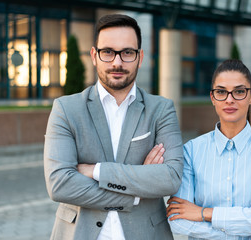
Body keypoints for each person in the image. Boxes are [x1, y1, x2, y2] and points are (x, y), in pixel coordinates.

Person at [44, 14, 183, 240]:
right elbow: (60, 184)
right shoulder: (66, 109)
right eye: (107, 52)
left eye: (127, 52)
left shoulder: (161, 109)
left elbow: (171, 178)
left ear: (140, 57)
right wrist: (135, 193)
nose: (117, 62)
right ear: (94, 55)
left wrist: (96, 171)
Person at [167, 59, 251, 239]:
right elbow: (178, 219)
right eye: (221, 92)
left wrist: (205, 213)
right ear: (212, 98)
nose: (229, 99)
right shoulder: (191, 151)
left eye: (239, 91)